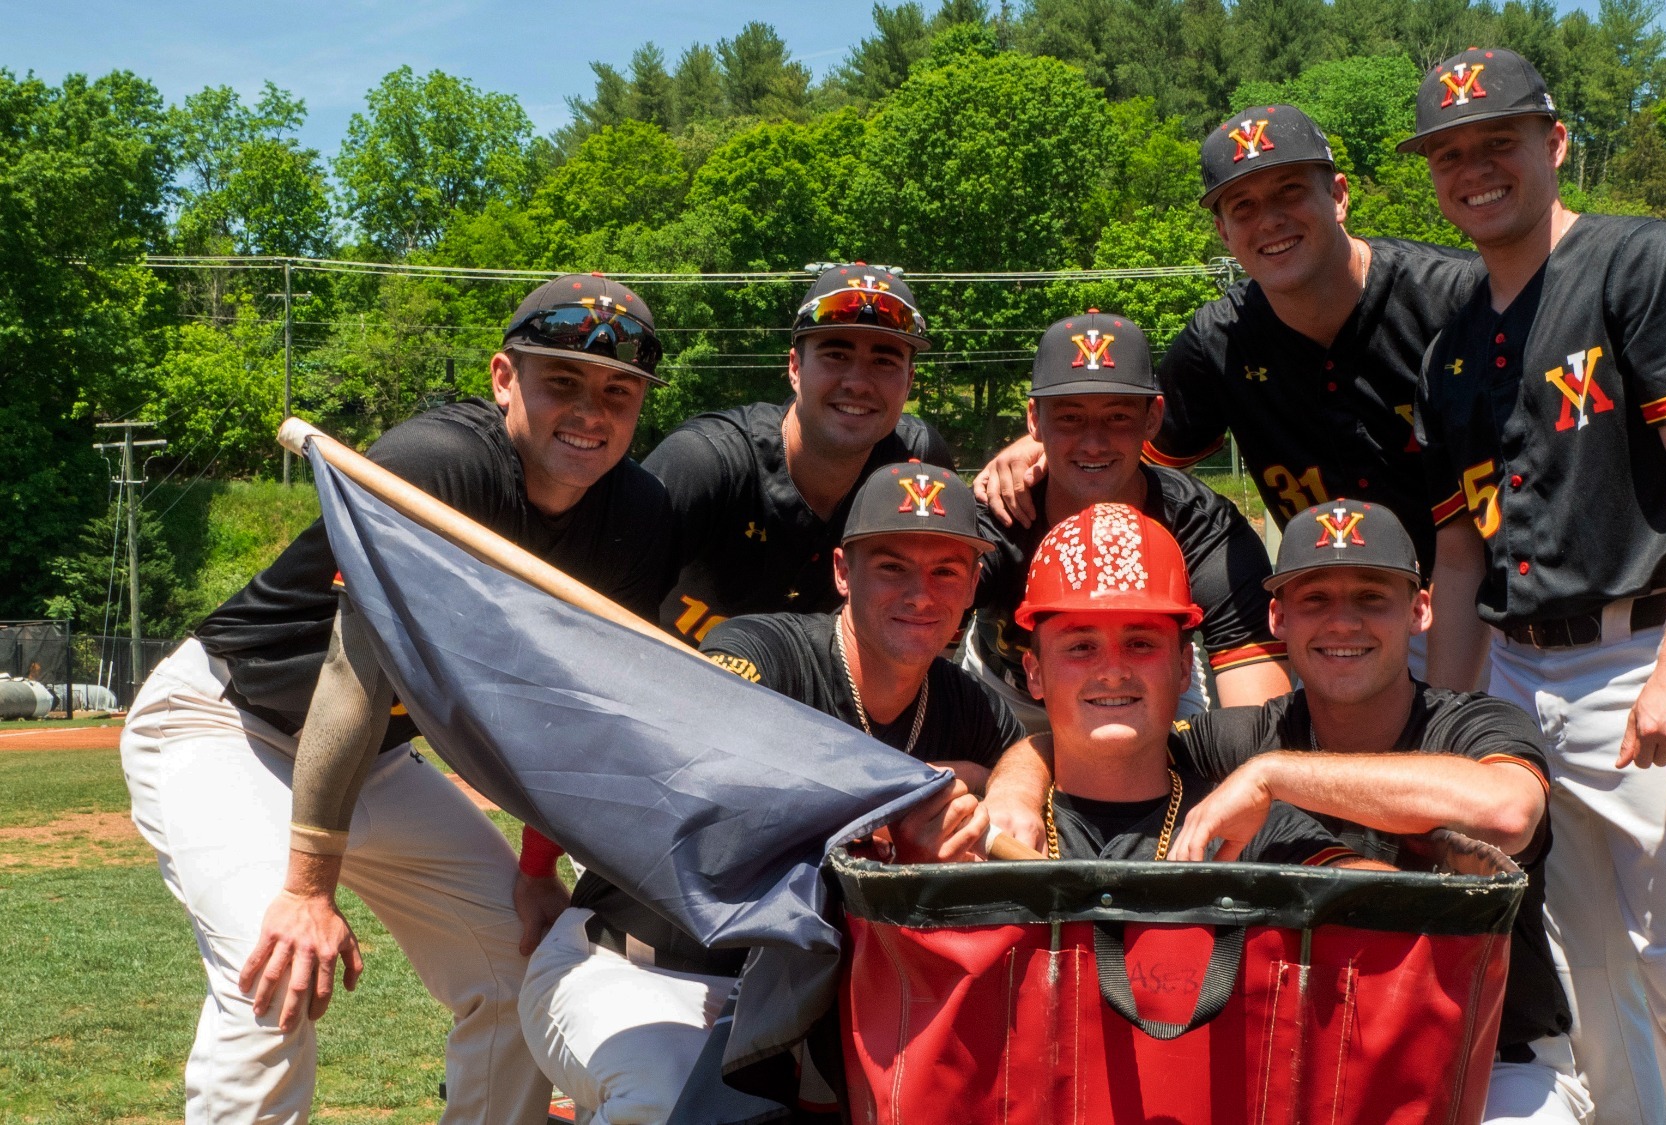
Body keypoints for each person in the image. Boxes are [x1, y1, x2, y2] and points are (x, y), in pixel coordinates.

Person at [121, 273, 674, 1124]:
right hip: (229, 721)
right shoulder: (436, 465)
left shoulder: (636, 514)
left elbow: (577, 714)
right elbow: (354, 673)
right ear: (502, 377)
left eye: (618, 391)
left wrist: (536, 870)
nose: (590, 411)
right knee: (274, 969)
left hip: (372, 757)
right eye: (560, 380)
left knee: (514, 968)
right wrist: (309, 888)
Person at [1406, 47, 1666, 1124]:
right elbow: (1462, 553)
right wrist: (1447, 727)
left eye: (1497, 142)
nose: (1472, 168)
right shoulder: (1449, 350)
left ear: (1553, 142)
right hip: (1521, 666)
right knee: (1574, 969)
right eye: (1448, 153)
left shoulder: (1643, 262)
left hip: (1649, 645)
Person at [517, 461, 1020, 1123]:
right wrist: (906, 790)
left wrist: (993, 780)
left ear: (973, 584)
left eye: (946, 570)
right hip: (637, 970)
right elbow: (646, 747)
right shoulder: (767, 651)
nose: (920, 594)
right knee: (672, 1098)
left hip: (797, 1005)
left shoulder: (962, 704)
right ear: (843, 571)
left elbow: (1029, 754)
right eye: (892, 566)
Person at [1157, 501, 1589, 1124]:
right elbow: (1108, 749)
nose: (1343, 623)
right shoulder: (1244, 737)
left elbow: (1506, 811)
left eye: (1371, 596)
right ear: (1276, 616)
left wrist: (1278, 775)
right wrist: (1018, 778)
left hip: (1490, 1057)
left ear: (1421, 609)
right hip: (1301, 1052)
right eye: (1314, 599)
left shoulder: (1474, 722)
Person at [975, 104, 1480, 587]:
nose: (1269, 220)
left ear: (1339, 196)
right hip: (1332, 612)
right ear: (1222, 230)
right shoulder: (1218, 341)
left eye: (1290, 191)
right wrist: (1040, 443)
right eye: (1243, 206)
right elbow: (1130, 444)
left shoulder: (1457, 298)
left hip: (1489, 607)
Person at [962, 310, 1290, 732]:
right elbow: (911, 644)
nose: (1093, 442)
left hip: (1150, 694)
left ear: (1153, 417)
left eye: (1117, 416)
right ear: (1034, 420)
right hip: (1006, 694)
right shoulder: (1001, 513)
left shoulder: (1202, 527)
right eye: (1069, 416)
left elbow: (1259, 721)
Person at [1005, 502, 1344, 865]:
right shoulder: (995, 828)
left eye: (1140, 644)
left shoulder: (1248, 826)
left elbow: (1387, 902)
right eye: (1081, 647)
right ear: (1035, 673)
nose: (1113, 670)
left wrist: (1275, 776)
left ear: (1184, 668)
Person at [641, 263, 951, 647]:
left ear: (908, 382)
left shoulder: (917, 465)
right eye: (836, 354)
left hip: (815, 705)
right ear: (794, 367)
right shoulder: (705, 463)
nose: (857, 382)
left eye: (884, 361)